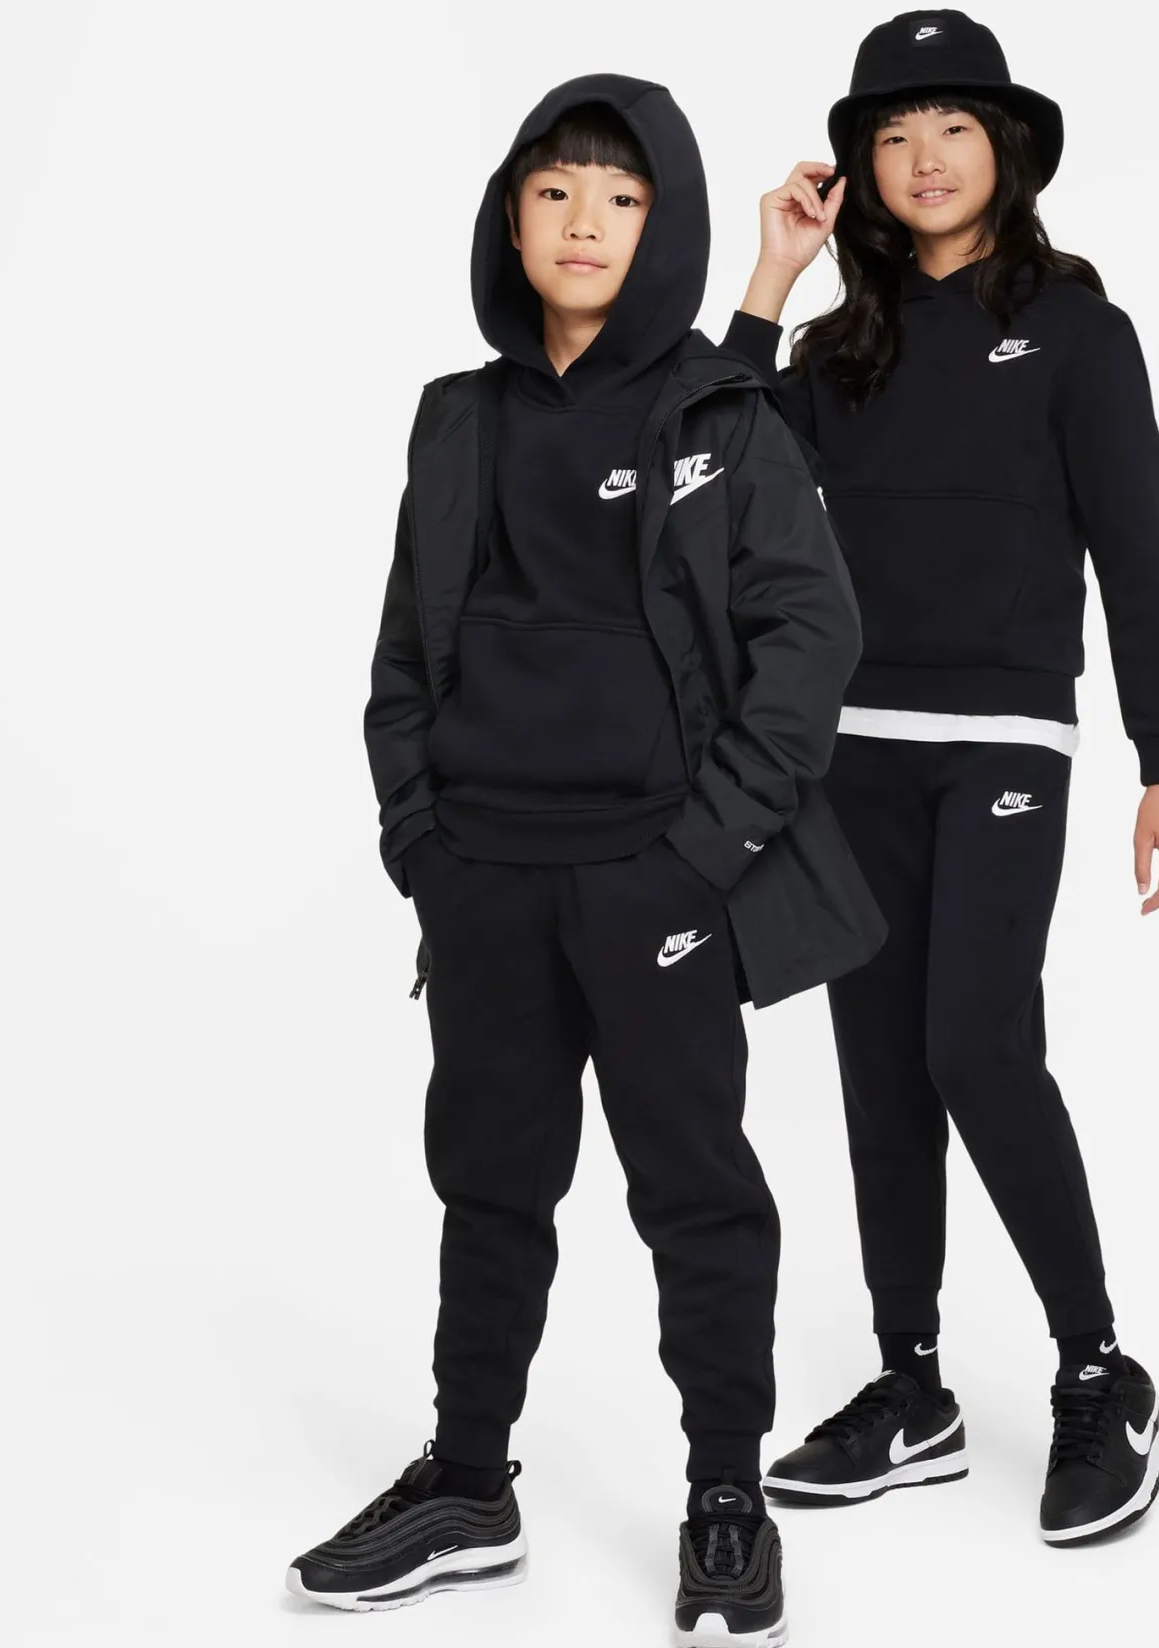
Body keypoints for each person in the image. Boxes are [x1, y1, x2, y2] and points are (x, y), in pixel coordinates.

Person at [286, 74, 883, 1643]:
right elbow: (402, 654)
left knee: (696, 1194)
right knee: (488, 1187)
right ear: (511, 217)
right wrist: (421, 838)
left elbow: (812, 637)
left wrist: (703, 855)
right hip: (481, 876)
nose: (584, 222)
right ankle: (467, 1482)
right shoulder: (459, 418)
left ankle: (727, 1495)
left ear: (661, 231)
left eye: (621, 199)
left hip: (655, 880)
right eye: (555, 191)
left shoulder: (719, 416)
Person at [718, 11, 1159, 1544]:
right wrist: (770, 280)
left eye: (951, 126)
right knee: (881, 1073)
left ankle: (1101, 1370)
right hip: (849, 756)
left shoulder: (1075, 331)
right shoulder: (835, 353)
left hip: (1003, 743)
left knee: (976, 1049)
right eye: (892, 133)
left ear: (1005, 149)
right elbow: (708, 474)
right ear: (859, 167)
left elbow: (1140, 550)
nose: (923, 156)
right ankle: (912, 1384)